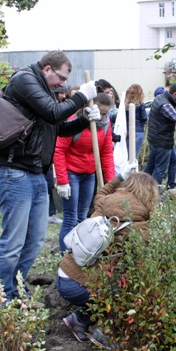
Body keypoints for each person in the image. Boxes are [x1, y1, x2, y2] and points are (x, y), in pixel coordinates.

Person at [0, 50, 97, 301]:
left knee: (34, 241)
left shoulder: (45, 91)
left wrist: (83, 120)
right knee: (13, 242)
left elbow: (59, 127)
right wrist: (81, 97)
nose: (62, 84)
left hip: (37, 174)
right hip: (13, 171)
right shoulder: (25, 80)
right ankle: (0, 297)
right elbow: (53, 112)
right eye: (60, 78)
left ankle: (15, 288)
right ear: (47, 69)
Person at [59, 170, 157, 347]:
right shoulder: (141, 226)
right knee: (132, 287)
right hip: (80, 287)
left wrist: (119, 177)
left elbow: (102, 191)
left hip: (64, 274)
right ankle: (106, 334)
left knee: (106, 280)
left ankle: (78, 321)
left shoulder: (104, 202)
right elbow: (140, 267)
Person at [54, 92, 117, 252]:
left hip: (89, 174)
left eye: (106, 113)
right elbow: (59, 149)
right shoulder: (73, 123)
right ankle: (66, 257)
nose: (103, 116)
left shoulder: (105, 124)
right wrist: (62, 181)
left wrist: (111, 184)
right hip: (71, 173)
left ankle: (80, 254)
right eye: (101, 112)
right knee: (70, 218)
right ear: (89, 106)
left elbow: (107, 152)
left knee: (83, 217)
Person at [143, 81, 176, 193]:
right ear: (175, 94)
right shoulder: (165, 105)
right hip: (162, 141)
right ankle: (153, 193)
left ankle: (170, 184)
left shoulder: (161, 97)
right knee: (160, 169)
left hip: (157, 138)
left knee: (165, 161)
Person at [124, 84, 148, 157]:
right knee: (134, 156)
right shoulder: (141, 104)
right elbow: (144, 118)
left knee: (126, 155)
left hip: (127, 131)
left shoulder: (124, 105)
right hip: (138, 131)